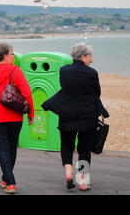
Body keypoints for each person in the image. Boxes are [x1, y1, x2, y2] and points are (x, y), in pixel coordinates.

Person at [42, 42, 109, 191]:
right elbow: (97, 92)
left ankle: (68, 173)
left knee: (66, 146)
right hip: (88, 117)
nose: (91, 60)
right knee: (84, 149)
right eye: (90, 57)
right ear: (83, 56)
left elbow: (65, 89)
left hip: (67, 115)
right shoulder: (92, 73)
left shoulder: (63, 71)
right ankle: (83, 182)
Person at [0, 43, 34, 194]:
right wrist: (30, 113)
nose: (13, 56)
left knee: (3, 148)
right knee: (11, 147)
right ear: (5, 56)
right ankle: (11, 183)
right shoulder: (15, 71)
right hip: (15, 115)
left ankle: (6, 179)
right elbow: (27, 93)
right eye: (12, 54)